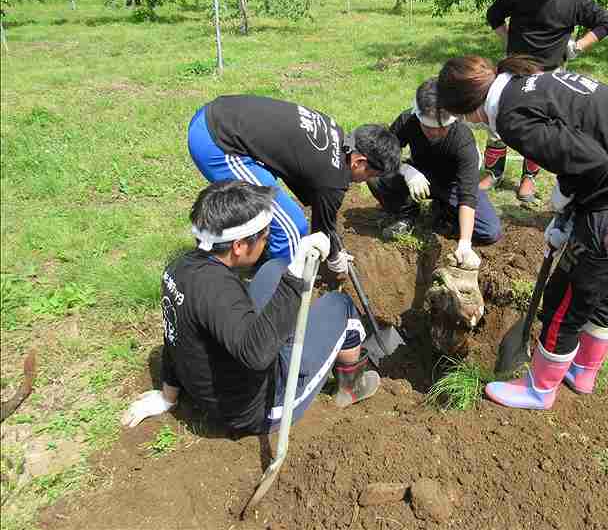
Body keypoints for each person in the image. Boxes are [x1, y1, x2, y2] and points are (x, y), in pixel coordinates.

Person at [437, 55, 608, 410]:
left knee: (567, 294)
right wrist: (568, 215)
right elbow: (584, 145)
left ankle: (539, 389)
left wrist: (563, 199)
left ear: (470, 109)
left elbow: (589, 160)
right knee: (607, 284)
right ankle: (583, 370)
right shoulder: (521, 83)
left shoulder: (511, 117)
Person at [121, 180, 380, 434]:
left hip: (222, 384)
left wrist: (168, 397)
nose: (267, 242)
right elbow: (256, 355)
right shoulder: (219, 292)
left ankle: (290, 338)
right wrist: (298, 272)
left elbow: (174, 334)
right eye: (265, 237)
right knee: (341, 305)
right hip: (258, 406)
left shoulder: (179, 267)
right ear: (238, 246)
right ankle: (349, 388)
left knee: (274, 268)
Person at [187, 95, 401, 278]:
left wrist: (332, 245)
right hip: (217, 143)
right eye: (371, 175)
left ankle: (261, 256)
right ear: (359, 162)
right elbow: (321, 230)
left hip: (216, 114)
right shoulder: (332, 178)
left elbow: (309, 187)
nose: (364, 181)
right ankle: (284, 291)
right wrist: (334, 256)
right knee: (292, 226)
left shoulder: (334, 130)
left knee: (275, 208)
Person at [482, 0, 608, 203]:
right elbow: (493, 15)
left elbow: (605, 23)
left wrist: (578, 47)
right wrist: (508, 42)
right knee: (496, 118)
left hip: (550, 76)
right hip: (514, 71)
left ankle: (528, 178)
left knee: (538, 127)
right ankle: (492, 171)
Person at [367, 79, 502, 267]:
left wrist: (464, 243)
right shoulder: (408, 121)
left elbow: (468, 195)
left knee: (490, 231)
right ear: (418, 115)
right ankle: (406, 213)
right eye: (429, 128)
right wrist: (406, 170)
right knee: (374, 173)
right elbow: (384, 154)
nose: (436, 133)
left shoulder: (462, 140)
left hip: (454, 184)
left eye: (442, 128)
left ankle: (445, 211)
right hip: (419, 174)